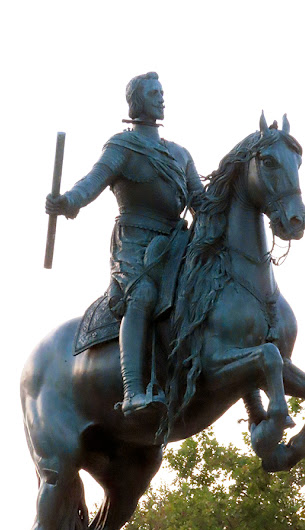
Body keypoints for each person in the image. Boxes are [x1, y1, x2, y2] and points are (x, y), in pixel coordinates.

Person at [46, 72, 204, 418]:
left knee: (212, 292)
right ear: (137, 100)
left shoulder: (180, 153)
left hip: (176, 242)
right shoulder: (122, 146)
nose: (161, 98)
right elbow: (92, 182)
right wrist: (68, 201)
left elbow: (201, 204)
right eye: (153, 93)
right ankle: (133, 390)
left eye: (162, 92)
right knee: (143, 295)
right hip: (134, 242)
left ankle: (253, 403)